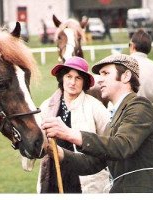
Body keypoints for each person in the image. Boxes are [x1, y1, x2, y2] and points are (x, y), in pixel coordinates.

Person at [41, 54, 153, 193]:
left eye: (105, 73)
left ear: (126, 76)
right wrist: (56, 152)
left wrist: (69, 133)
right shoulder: (115, 116)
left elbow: (121, 146)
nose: (99, 80)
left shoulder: (140, 105)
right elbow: (93, 163)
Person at [37, 56, 110, 193]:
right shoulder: (47, 106)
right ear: (62, 78)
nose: (72, 82)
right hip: (54, 174)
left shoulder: (95, 106)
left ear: (84, 82)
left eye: (78, 78)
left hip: (85, 178)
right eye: (69, 76)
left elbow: (108, 142)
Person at [129, 29, 153, 113]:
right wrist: (148, 113)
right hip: (146, 119)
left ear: (132, 46)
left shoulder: (122, 64)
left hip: (123, 119)